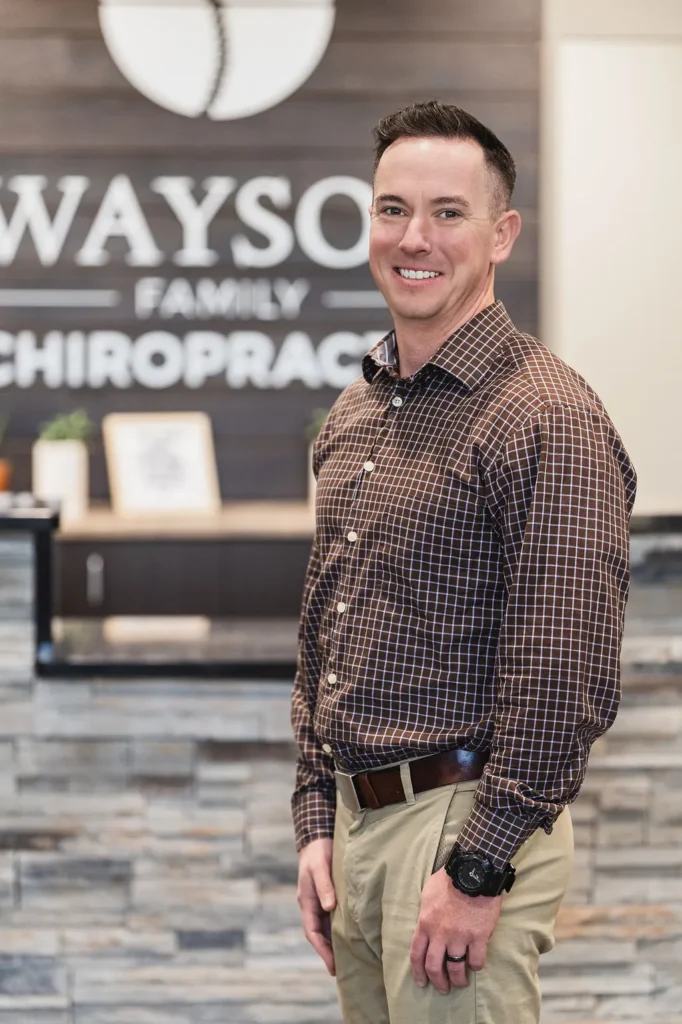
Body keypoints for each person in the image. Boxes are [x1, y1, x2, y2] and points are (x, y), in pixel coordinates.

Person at [290, 100, 636, 1024]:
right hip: (362, 832)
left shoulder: (545, 416)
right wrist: (320, 818)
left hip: (462, 830)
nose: (415, 237)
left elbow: (565, 668)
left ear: (501, 233)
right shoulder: (359, 412)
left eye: (449, 212)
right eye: (392, 208)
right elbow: (328, 629)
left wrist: (481, 866)